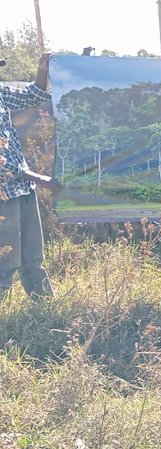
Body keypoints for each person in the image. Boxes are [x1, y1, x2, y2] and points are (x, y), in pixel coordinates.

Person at [0, 53, 57, 301]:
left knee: (33, 256)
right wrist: (38, 177)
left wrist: (42, 69)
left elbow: (34, 96)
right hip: (5, 194)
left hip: (23, 188)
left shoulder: (0, 93)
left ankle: (45, 308)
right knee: (6, 261)